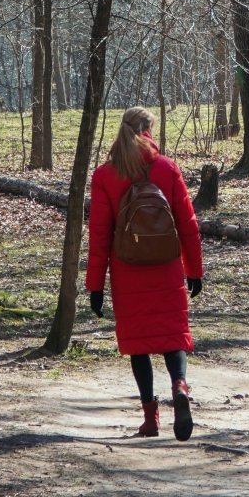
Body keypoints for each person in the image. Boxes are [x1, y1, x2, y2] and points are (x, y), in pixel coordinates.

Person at [85, 107, 205, 440]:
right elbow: (188, 225)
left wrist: (95, 286)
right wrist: (194, 270)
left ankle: (150, 419)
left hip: (127, 270)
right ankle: (180, 386)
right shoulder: (167, 168)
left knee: (139, 344)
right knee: (171, 335)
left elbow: (100, 236)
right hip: (167, 266)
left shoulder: (106, 175)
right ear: (150, 129)